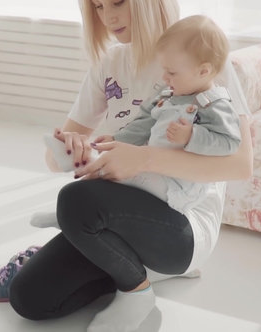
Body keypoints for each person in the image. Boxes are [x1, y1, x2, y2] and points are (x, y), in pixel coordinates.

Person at [0, 0, 254, 331]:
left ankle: (137, 289)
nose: (107, 16)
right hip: (113, 217)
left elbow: (241, 165)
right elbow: (54, 160)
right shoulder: (111, 62)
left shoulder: (201, 52)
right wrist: (77, 149)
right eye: (97, 6)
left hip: (183, 220)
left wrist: (142, 158)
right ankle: (132, 267)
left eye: (118, 2)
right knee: (30, 298)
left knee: (76, 199)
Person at [38, 14, 241, 218]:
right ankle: (67, 205)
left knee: (116, 175)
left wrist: (192, 137)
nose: (164, 78)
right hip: (153, 172)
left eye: (171, 72)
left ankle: (65, 214)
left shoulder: (216, 104)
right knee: (105, 175)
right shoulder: (167, 96)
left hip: (178, 185)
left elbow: (229, 142)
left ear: (203, 71)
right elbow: (142, 125)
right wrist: (115, 141)